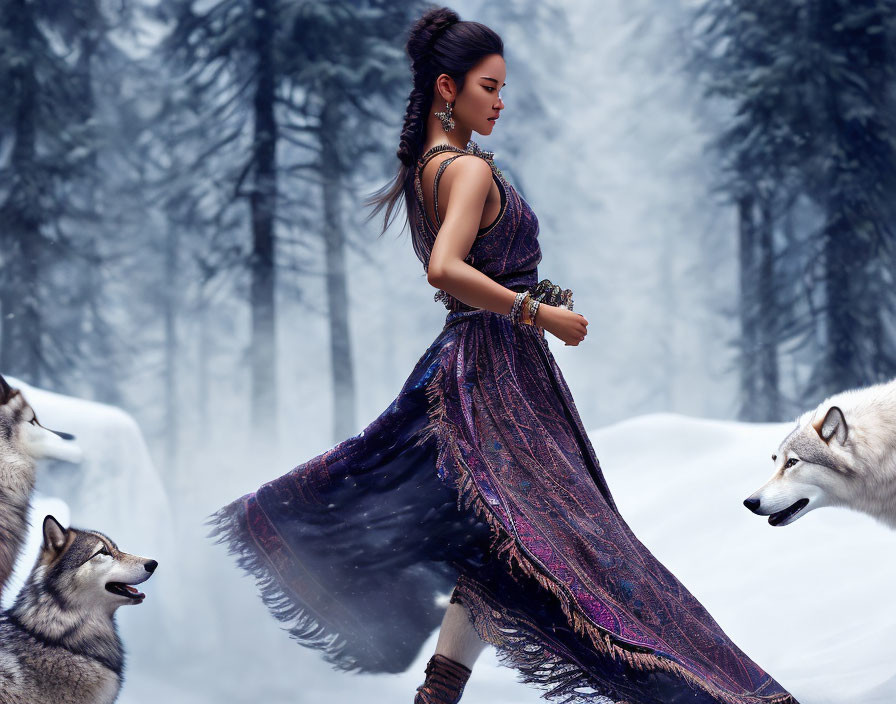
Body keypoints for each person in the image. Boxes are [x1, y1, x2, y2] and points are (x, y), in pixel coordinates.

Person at [209, 7, 800, 704]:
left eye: (503, 86)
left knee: (503, 543)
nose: (500, 100)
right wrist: (537, 312)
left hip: (483, 367)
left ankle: (439, 694)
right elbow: (446, 270)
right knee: (579, 547)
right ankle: (723, 691)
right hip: (491, 379)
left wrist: (529, 297)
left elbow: (472, 270)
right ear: (445, 89)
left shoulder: (427, 168)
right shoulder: (464, 172)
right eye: (488, 86)